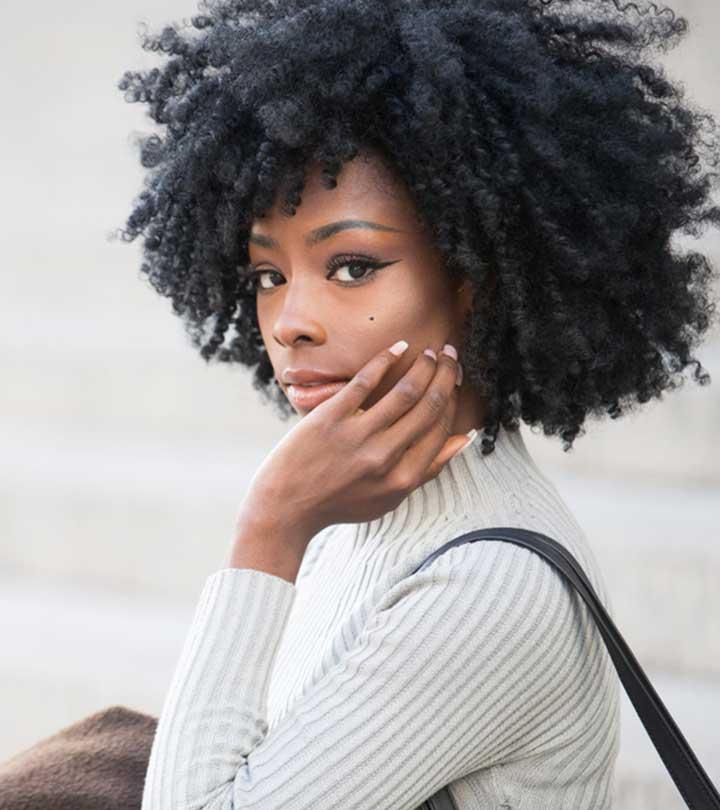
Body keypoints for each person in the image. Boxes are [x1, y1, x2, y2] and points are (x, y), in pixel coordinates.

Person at [115, 0, 720, 807]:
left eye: (353, 266)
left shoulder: (482, 585)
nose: (290, 323)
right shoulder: (364, 511)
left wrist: (268, 528)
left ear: (475, 281)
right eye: (268, 276)